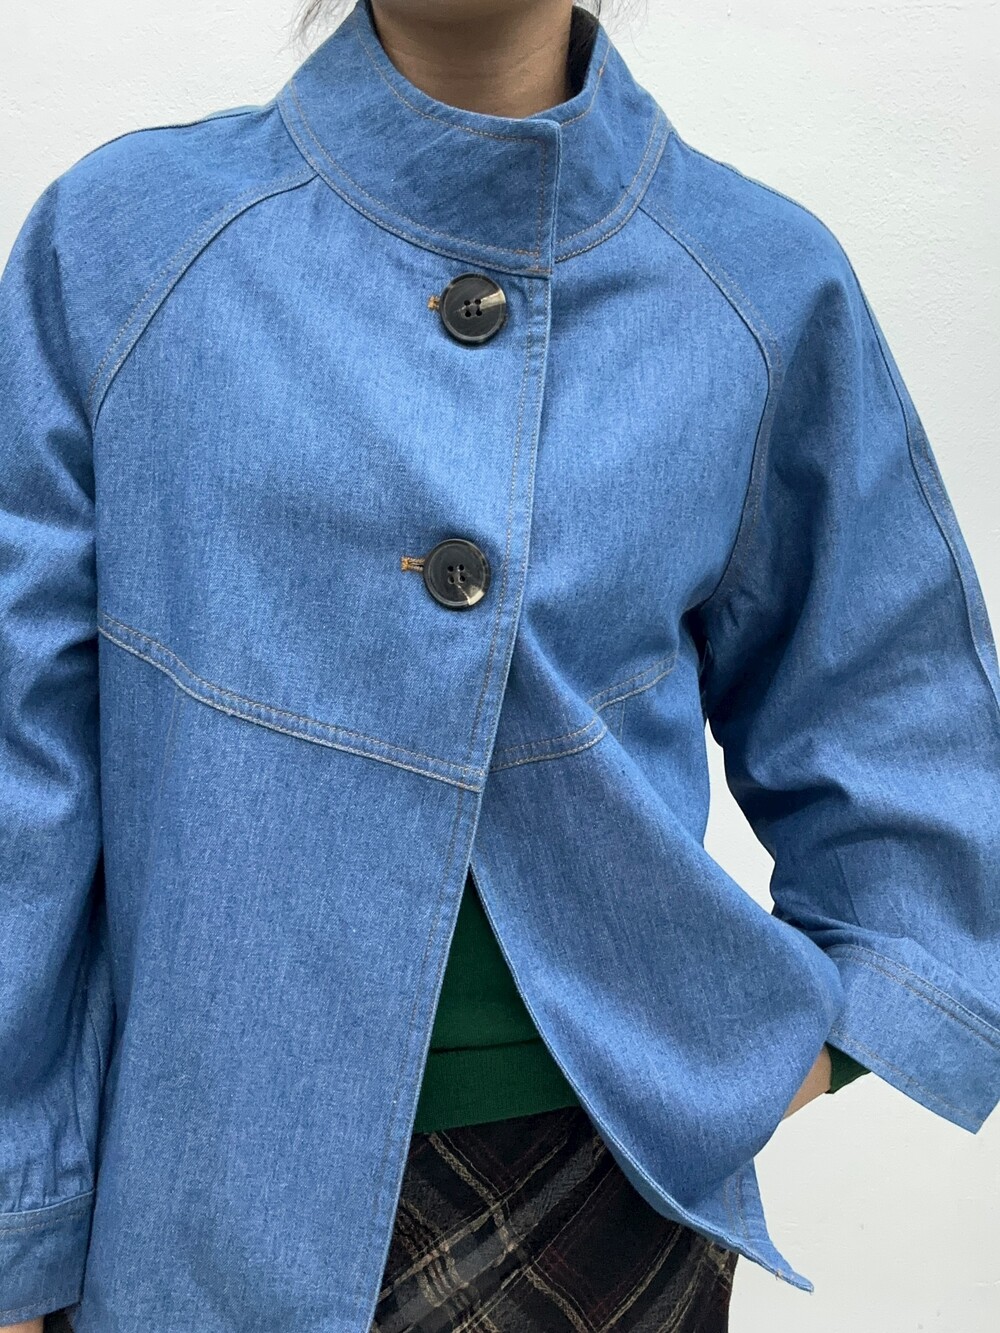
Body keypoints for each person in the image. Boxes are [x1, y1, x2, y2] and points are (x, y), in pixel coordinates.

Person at [2, 1, 997, 1329]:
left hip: (609, 1206)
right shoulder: (127, 242)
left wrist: (777, 1052)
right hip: (199, 1191)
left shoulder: (757, 283)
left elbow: (904, 726)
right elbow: (20, 770)